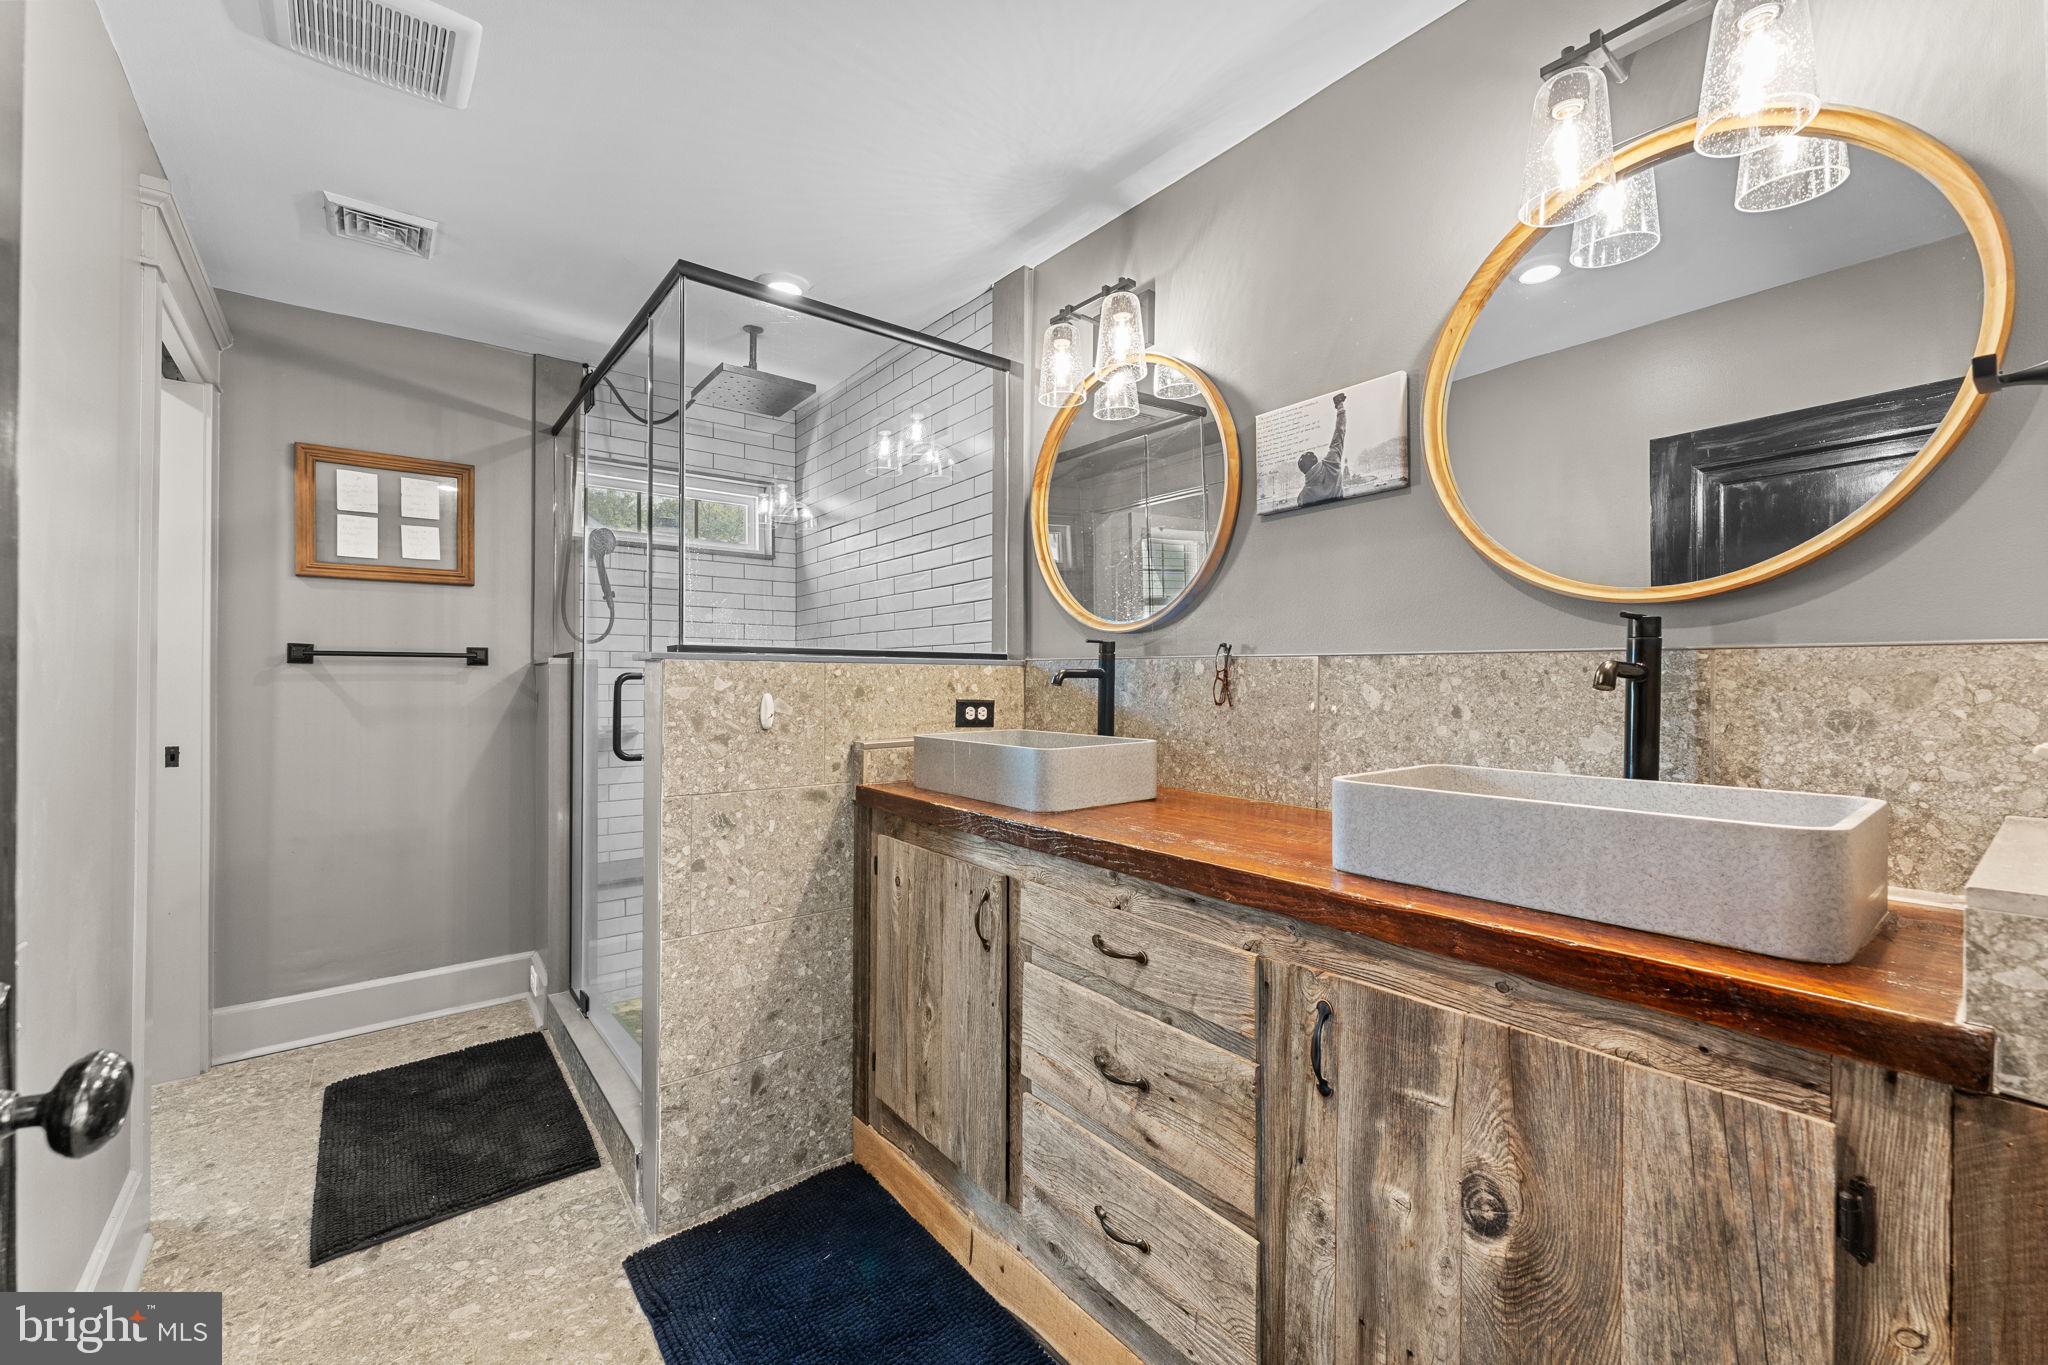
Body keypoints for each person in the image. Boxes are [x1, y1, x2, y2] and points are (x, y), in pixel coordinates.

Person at [1296, 391, 1347, 507]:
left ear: (1304, 471)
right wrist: (1340, 406)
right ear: (1316, 460)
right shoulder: (1331, 464)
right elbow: (1340, 432)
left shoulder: (1303, 496)